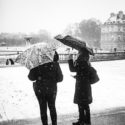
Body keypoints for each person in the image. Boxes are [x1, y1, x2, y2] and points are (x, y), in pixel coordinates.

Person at [28, 51, 63, 125]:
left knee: (43, 108)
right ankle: (54, 123)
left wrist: (32, 68)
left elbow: (31, 77)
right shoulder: (55, 64)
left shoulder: (37, 64)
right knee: (52, 107)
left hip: (40, 90)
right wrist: (52, 80)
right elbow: (60, 78)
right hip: (52, 89)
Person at [68, 48, 93, 125]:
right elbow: (84, 73)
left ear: (82, 53)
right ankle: (86, 121)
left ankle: (82, 121)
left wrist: (70, 59)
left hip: (81, 86)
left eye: (79, 51)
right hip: (86, 85)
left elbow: (72, 69)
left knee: (81, 103)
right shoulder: (86, 61)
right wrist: (77, 76)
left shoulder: (81, 61)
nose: (78, 52)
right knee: (85, 104)